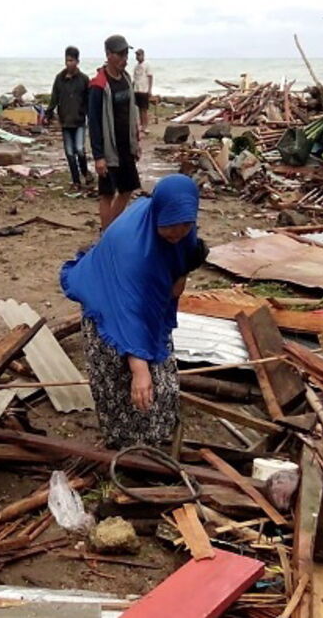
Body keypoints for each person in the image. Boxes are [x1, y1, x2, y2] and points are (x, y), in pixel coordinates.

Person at [60, 174, 208, 448]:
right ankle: (125, 446)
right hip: (109, 302)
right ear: (158, 215)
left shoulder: (182, 226)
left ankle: (156, 439)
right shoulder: (132, 250)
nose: (177, 233)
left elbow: (177, 280)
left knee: (160, 377)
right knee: (122, 380)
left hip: (144, 301)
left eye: (185, 226)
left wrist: (183, 271)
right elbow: (128, 314)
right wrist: (139, 370)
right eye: (170, 227)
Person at [88, 34, 140, 230]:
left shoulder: (126, 79)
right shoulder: (99, 85)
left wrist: (136, 141)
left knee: (127, 189)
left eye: (126, 54)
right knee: (107, 193)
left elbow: (132, 112)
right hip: (108, 148)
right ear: (108, 55)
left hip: (126, 145)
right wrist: (98, 156)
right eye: (120, 54)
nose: (124, 59)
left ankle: (111, 229)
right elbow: (93, 122)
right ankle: (106, 234)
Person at [45, 46, 91, 189]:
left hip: (79, 120)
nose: (69, 63)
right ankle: (76, 181)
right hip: (65, 121)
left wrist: (90, 116)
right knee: (70, 153)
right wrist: (48, 114)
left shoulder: (84, 79)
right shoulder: (59, 78)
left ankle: (85, 173)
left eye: (71, 60)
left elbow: (88, 101)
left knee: (80, 149)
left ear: (77, 61)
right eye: (67, 60)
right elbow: (54, 98)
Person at [133, 48, 153, 134]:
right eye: (136, 55)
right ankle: (141, 125)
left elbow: (150, 77)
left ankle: (145, 126)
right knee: (138, 109)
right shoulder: (136, 66)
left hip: (144, 89)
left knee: (144, 109)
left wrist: (149, 89)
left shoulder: (147, 64)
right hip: (136, 89)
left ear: (143, 55)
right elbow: (135, 78)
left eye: (139, 55)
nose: (137, 57)